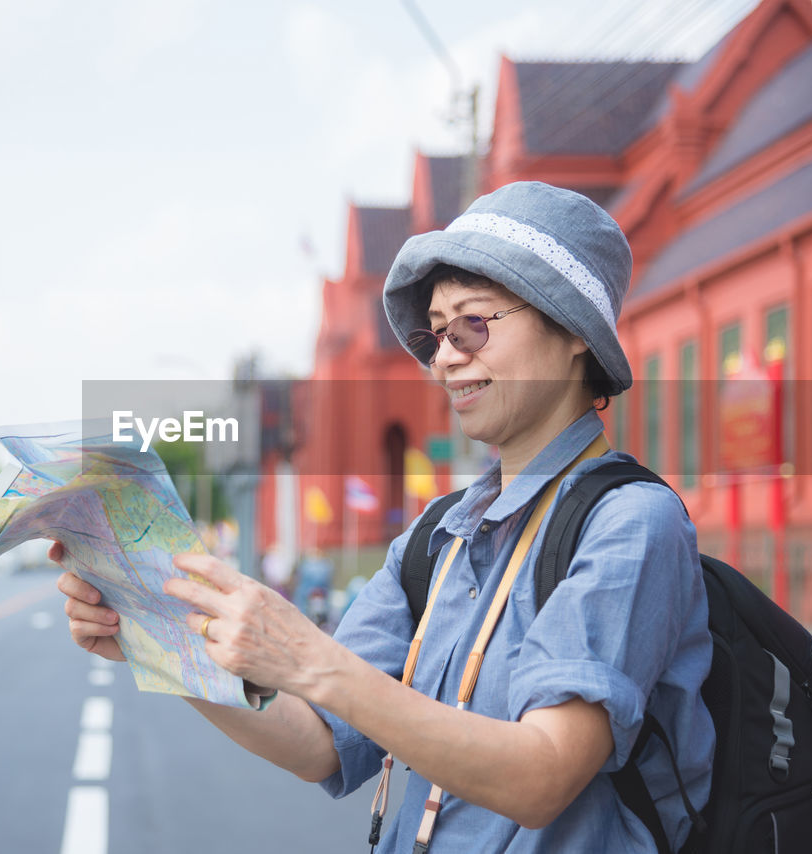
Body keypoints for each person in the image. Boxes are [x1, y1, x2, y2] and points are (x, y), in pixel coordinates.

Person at [55, 181, 713, 852]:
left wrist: (311, 658)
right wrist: (162, 639)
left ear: (573, 331)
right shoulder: (438, 535)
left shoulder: (632, 523)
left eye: (473, 325)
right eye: (436, 336)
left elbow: (542, 777)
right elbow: (323, 744)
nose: (446, 357)